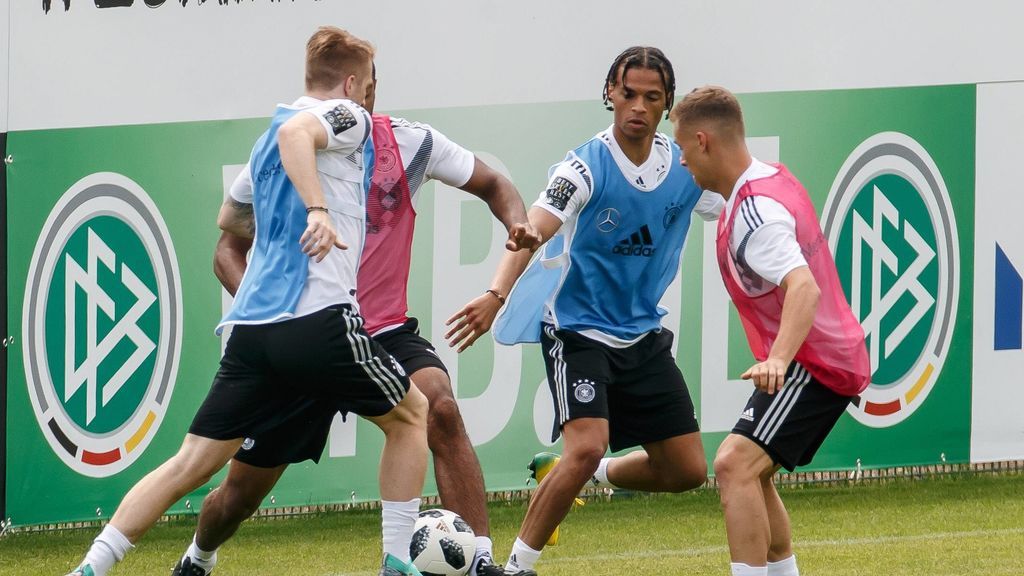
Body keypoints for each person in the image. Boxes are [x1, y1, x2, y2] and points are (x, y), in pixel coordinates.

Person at [65, 27, 431, 576]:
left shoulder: (264, 138)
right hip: (318, 320)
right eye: (369, 83)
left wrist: (284, 221)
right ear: (353, 83)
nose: (370, 95)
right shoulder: (346, 118)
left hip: (252, 332)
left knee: (190, 463)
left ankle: (92, 566)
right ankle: (398, 561)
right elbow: (298, 137)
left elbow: (230, 218)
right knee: (411, 415)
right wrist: (317, 210)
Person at [170, 68, 540, 576]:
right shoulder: (290, 150)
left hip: (381, 330)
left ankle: (476, 559)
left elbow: (495, 183)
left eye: (367, 90)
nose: (357, 101)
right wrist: (272, 315)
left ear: (367, 92)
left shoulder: (411, 144)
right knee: (239, 495)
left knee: (440, 406)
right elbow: (228, 248)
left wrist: (515, 221)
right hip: (307, 336)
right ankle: (199, 557)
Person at [445, 46, 722, 576]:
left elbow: (734, 203)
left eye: (652, 97)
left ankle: (591, 475)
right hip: (577, 329)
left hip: (642, 334)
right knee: (586, 444)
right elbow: (534, 229)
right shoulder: (583, 167)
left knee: (687, 469)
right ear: (609, 95)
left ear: (668, 105)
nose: (638, 106)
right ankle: (516, 567)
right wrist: (496, 294)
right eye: (628, 94)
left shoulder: (685, 166)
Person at [669, 85, 870, 576]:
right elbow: (729, 214)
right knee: (754, 474)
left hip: (815, 362)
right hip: (822, 354)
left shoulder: (755, 214)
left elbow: (803, 288)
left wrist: (778, 358)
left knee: (734, 464)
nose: (679, 163)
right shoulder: (765, 181)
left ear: (702, 141)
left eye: (680, 150)